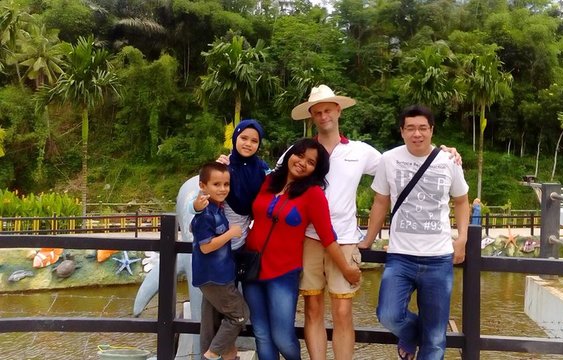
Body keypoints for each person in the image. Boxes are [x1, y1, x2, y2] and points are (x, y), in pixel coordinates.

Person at [290, 84, 463, 360]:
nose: (324, 116)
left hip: (345, 239)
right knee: (312, 307)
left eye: (328, 110)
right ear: (312, 116)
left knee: (343, 311)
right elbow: (274, 178)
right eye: (318, 112)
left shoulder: (360, 151)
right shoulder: (300, 152)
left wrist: (442, 153)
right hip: (308, 238)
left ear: (338, 111)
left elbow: (404, 161)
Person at [359, 104, 470, 360]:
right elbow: (380, 201)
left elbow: (462, 201)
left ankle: (427, 334)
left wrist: (462, 238)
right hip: (400, 256)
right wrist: (367, 239)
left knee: (434, 341)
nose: (416, 134)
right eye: (410, 128)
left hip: (439, 258)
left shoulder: (449, 161)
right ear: (402, 131)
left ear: (432, 130)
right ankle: (410, 333)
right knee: (388, 315)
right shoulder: (389, 159)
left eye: (422, 128)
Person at [242, 138, 361, 360]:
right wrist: (227, 161)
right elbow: (239, 177)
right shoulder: (269, 181)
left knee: (282, 337)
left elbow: (328, 237)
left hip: (283, 273)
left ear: (316, 170)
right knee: (261, 334)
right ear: (290, 155)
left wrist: (346, 269)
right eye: (299, 155)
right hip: (252, 267)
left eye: (310, 162)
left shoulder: (313, 194)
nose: (301, 162)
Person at [190, 162, 250, 360]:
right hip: (215, 277)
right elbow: (205, 246)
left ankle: (227, 356)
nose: (223, 189)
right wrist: (231, 233)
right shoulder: (206, 214)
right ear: (203, 185)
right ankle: (211, 355)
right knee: (239, 315)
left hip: (215, 275)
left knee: (211, 322)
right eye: (216, 184)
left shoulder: (214, 208)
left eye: (226, 184)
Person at [193, 119, 270, 250]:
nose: (248, 144)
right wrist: (196, 206)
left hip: (243, 237)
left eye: (254, 141)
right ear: (235, 138)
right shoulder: (224, 166)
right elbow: (200, 198)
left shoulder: (262, 170)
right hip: (217, 237)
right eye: (244, 138)